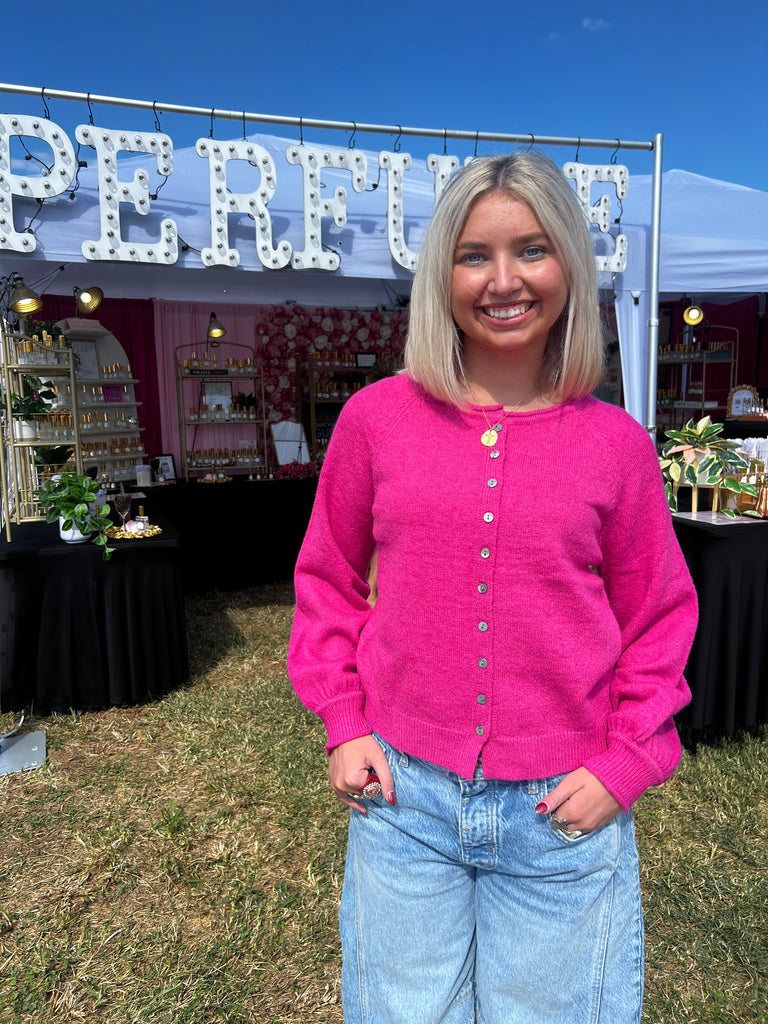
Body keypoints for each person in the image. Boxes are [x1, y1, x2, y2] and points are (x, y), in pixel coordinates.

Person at [288, 151, 698, 1024]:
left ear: (570, 268)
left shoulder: (615, 443)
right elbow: (327, 576)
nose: (503, 280)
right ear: (443, 271)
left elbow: (659, 614)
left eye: (533, 250)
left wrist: (626, 763)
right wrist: (342, 722)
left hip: (562, 812)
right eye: (474, 254)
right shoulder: (377, 421)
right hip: (403, 800)